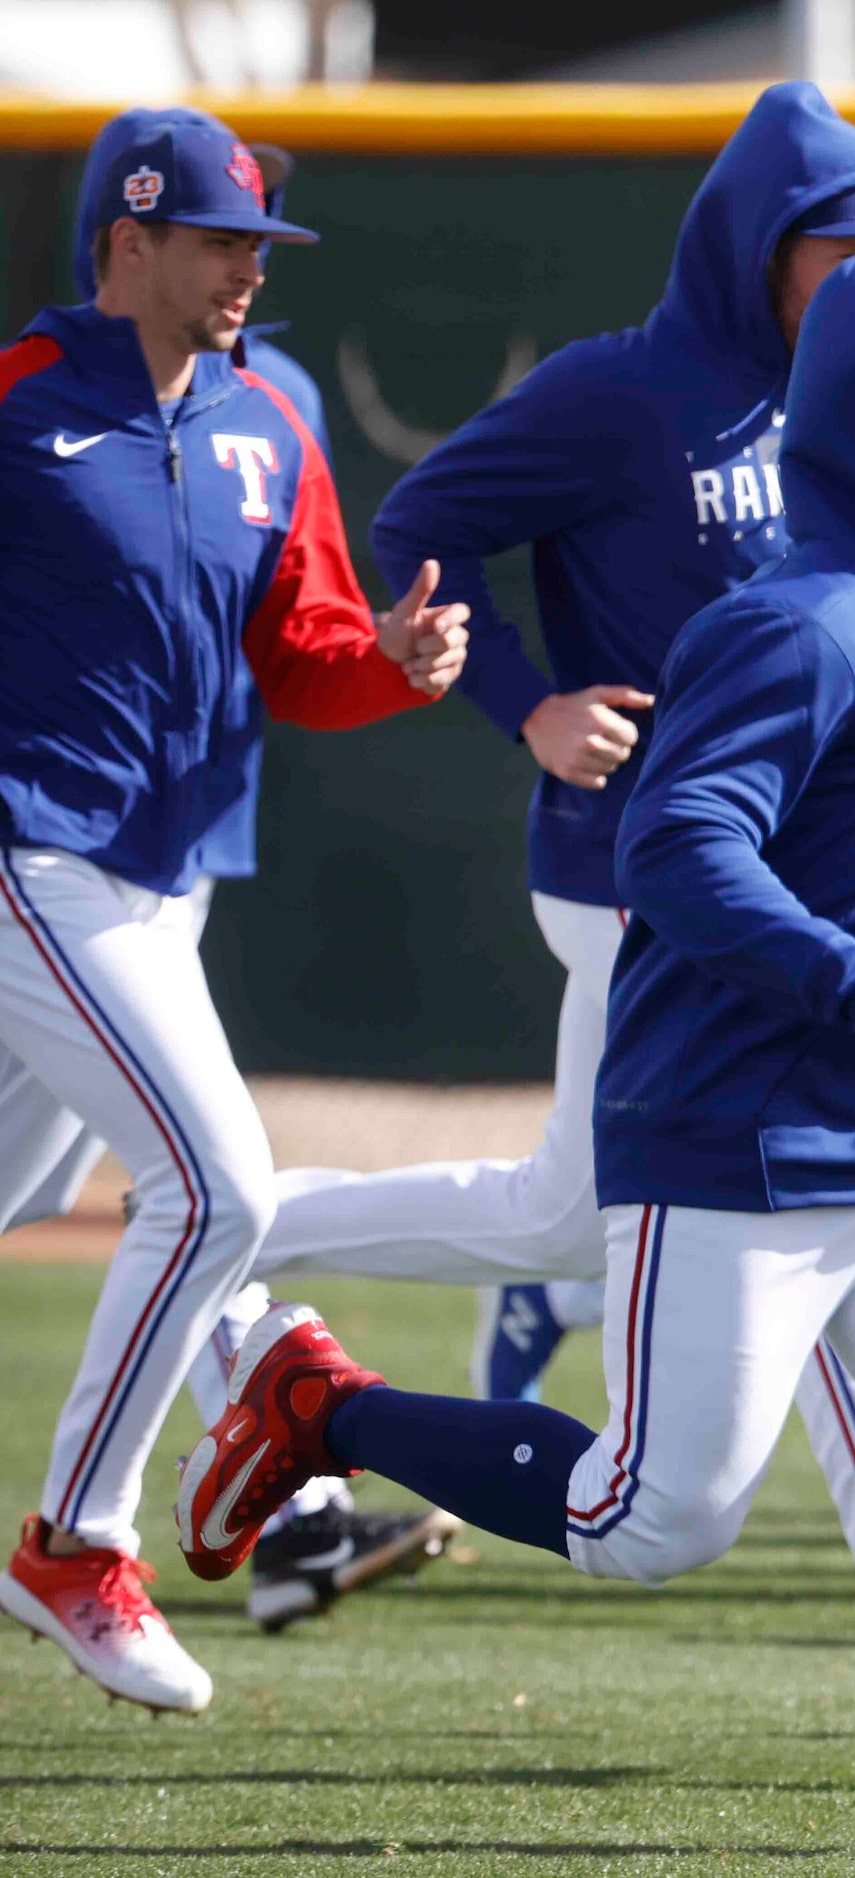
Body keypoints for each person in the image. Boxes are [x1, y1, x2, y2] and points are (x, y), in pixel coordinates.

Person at [180, 260, 855, 1878]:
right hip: (738, 1137)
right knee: (654, 1519)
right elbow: (675, 845)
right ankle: (322, 1402)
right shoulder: (787, 623)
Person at [236, 81, 855, 1709]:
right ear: (756, 246)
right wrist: (525, 697)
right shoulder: (626, 390)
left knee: (642, 1221)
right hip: (637, 869)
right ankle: (240, 1235)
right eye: (838, 244)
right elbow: (417, 524)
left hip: (796, 895)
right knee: (616, 1214)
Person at [0, 110, 469, 1712]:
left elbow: (305, 654)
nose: (247, 271)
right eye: (219, 241)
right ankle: (78, 1538)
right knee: (214, 1185)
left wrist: (393, 669)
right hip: (33, 855)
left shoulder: (272, 417)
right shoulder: (18, 402)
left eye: (260, 246)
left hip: (167, 880)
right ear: (126, 243)